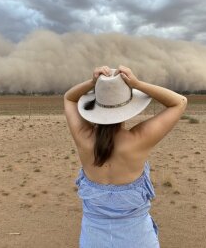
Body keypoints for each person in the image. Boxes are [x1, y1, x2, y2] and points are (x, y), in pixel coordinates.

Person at [64, 65, 187, 248]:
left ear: (97, 104)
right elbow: (180, 102)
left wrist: (93, 82)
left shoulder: (83, 138)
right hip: (138, 238)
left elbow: (68, 98)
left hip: (93, 239)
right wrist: (137, 84)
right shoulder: (138, 140)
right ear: (128, 106)